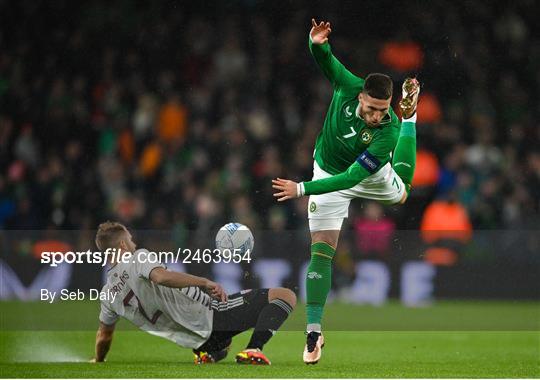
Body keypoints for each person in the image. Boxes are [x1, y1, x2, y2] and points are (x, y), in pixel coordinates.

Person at [272, 19, 420, 364]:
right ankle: (313, 333)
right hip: (327, 168)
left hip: (365, 174)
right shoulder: (346, 84)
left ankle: (413, 117)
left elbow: (353, 178)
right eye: (371, 108)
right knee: (322, 253)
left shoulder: (387, 130)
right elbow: (325, 59)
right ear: (361, 95)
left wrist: (301, 189)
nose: (375, 115)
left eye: (383, 111)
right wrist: (316, 43)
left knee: (402, 194)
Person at [90, 221, 296, 365]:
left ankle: (210, 354)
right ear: (123, 244)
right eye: (131, 240)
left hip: (195, 340)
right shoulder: (137, 258)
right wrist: (204, 282)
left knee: (226, 342)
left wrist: (99, 359)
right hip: (210, 317)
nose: (134, 244)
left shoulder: (108, 294)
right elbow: (161, 277)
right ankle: (254, 349)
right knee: (285, 295)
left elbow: (104, 335)